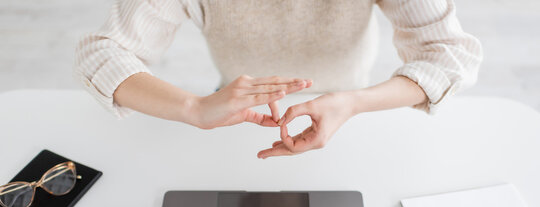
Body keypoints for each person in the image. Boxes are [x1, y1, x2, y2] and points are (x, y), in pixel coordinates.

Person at [75, 0, 482, 159]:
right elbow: (103, 52)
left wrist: (354, 101)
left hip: (351, 106)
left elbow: (448, 54)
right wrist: (193, 107)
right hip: (240, 108)